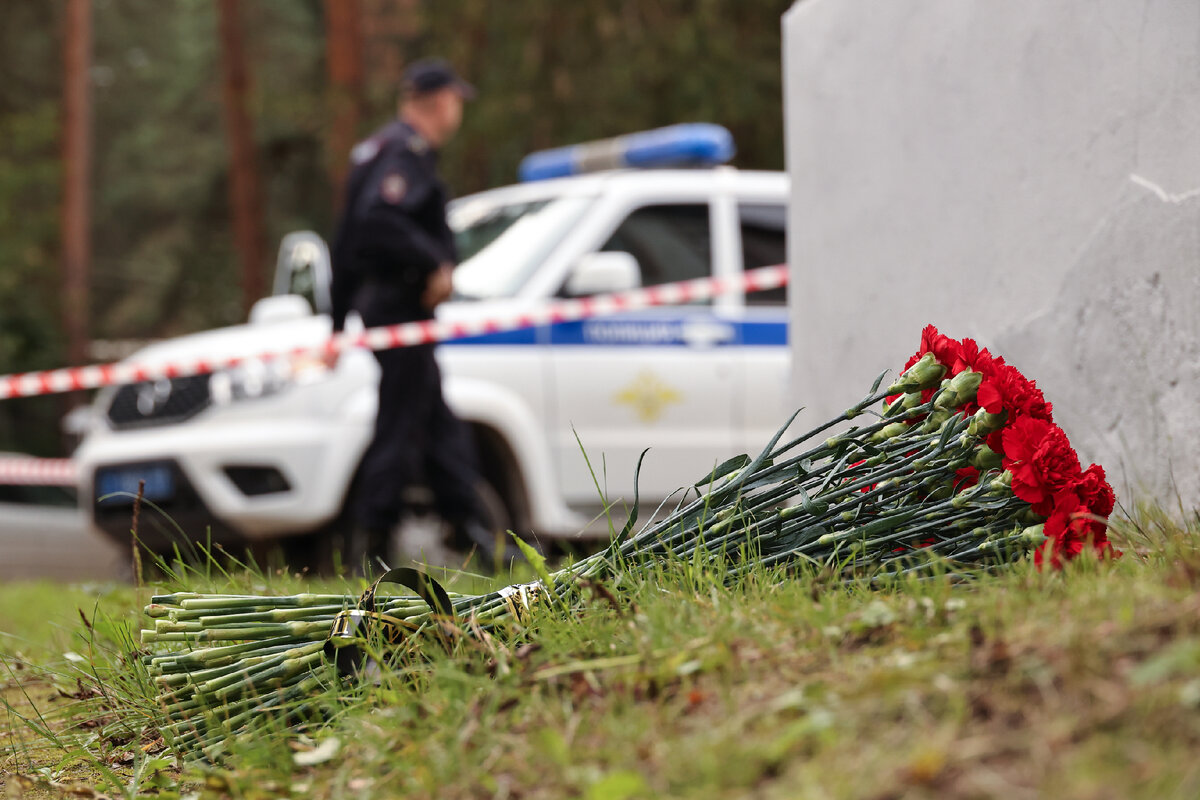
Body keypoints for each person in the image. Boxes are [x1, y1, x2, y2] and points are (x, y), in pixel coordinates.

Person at [329, 58, 493, 571]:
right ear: (441, 101)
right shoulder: (406, 152)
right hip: (399, 306)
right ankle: (371, 548)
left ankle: (474, 533)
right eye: (455, 102)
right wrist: (435, 263)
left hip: (387, 307)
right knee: (401, 423)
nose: (456, 113)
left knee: (436, 420)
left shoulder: (374, 150)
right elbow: (376, 222)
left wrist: (336, 321)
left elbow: (344, 240)